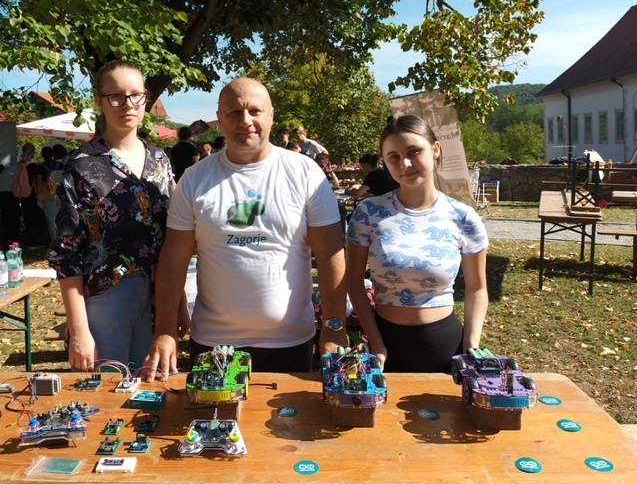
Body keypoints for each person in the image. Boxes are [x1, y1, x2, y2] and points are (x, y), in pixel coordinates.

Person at [143, 77, 347, 379]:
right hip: (213, 342)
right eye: (234, 112)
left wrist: (334, 328)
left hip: (289, 342)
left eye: (255, 111)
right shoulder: (194, 179)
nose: (245, 121)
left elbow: (330, 252)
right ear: (220, 118)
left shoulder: (305, 173)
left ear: (271, 115)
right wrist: (165, 330)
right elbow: (174, 257)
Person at [48, 60, 176, 369]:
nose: (128, 104)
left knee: (151, 386)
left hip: (158, 296)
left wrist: (178, 304)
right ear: (99, 101)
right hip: (105, 298)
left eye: (136, 95)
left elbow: (174, 239)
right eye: (116, 96)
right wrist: (78, 330)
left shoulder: (160, 161)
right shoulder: (80, 166)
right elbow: (67, 253)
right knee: (108, 386)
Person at [343, 115, 489, 373]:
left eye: (414, 152)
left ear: (435, 150)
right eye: (394, 157)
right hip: (384, 349)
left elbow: (477, 288)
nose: (405, 164)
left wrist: (470, 347)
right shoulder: (368, 213)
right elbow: (354, 283)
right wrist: (376, 343)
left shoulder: (463, 217)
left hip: (446, 348)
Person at [15, 143, 49, 247]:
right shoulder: (34, 167)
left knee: (28, 219)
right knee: (35, 219)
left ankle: (30, 240)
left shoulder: (19, 166)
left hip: (23, 196)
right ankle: (36, 241)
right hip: (33, 195)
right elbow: (38, 182)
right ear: (33, 153)